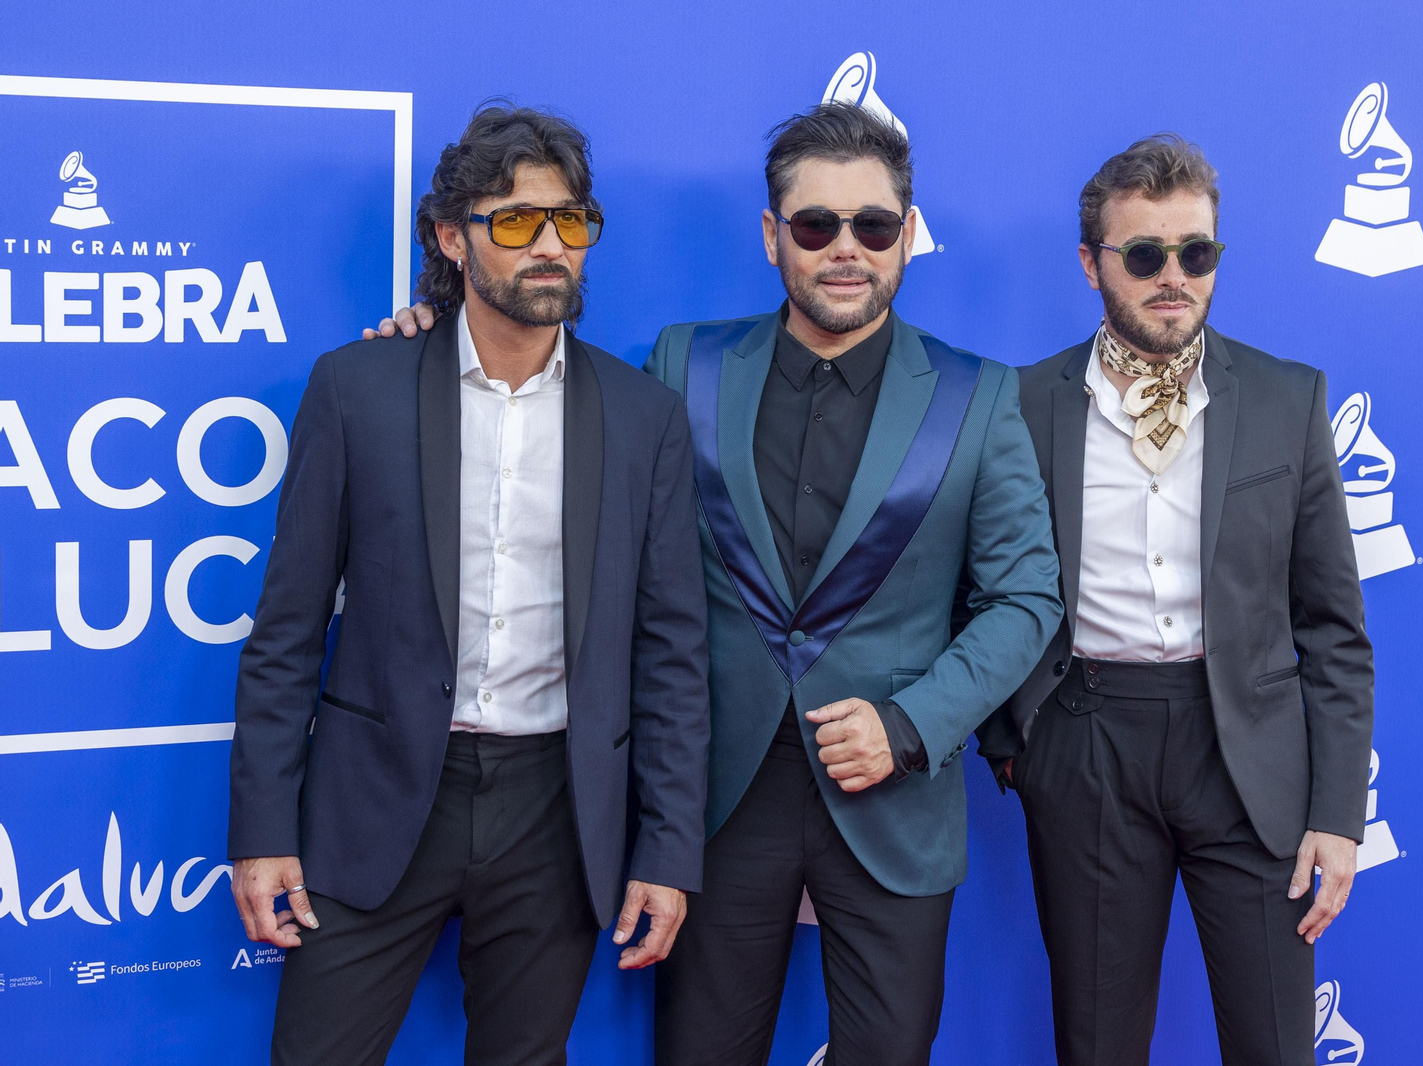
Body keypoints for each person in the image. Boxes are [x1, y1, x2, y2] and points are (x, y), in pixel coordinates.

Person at [372, 102, 1062, 1066]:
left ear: (906, 237)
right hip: (714, 796)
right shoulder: (682, 366)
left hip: (890, 794)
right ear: (773, 237)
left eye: (873, 225)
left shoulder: (977, 395)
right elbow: (530, 370)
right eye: (816, 226)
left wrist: (911, 726)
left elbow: (1025, 599)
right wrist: (434, 331)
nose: (845, 250)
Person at [228, 104, 710, 1066]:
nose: (549, 247)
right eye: (516, 221)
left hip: (558, 810)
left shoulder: (643, 415)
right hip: (377, 798)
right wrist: (263, 831)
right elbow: (285, 630)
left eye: (570, 222)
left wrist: (667, 848)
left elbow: (672, 654)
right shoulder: (357, 389)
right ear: (452, 238)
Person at [978, 134, 1374, 1066]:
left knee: (1275, 1045)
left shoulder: (1288, 398)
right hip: (1086, 743)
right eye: (1144, 255)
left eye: (1196, 253)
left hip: (1250, 757)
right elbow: (981, 589)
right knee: (1098, 1043)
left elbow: (1334, 629)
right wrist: (1017, 744)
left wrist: (1337, 811)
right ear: (1091, 264)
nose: (1173, 277)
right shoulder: (1021, 405)